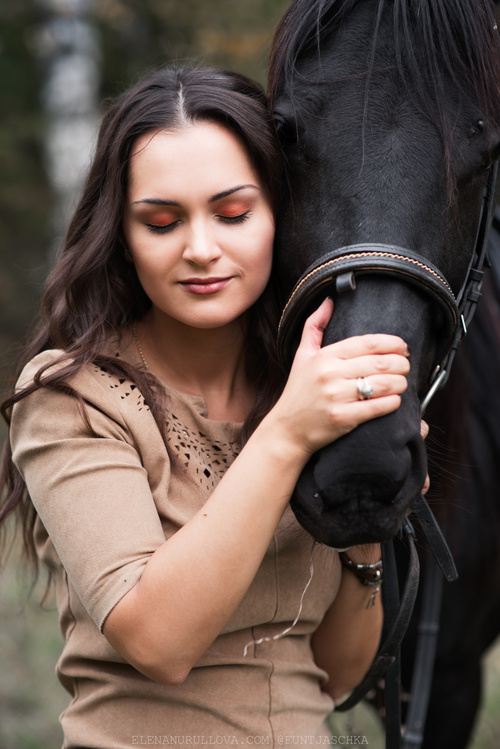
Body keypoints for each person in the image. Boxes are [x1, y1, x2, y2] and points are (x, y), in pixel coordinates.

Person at [0, 66, 414, 747]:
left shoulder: (301, 387)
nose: (200, 249)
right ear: (123, 236)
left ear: (282, 214)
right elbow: (157, 639)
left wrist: (368, 519)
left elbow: (336, 673)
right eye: (161, 222)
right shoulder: (72, 395)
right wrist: (287, 437)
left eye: (233, 214)